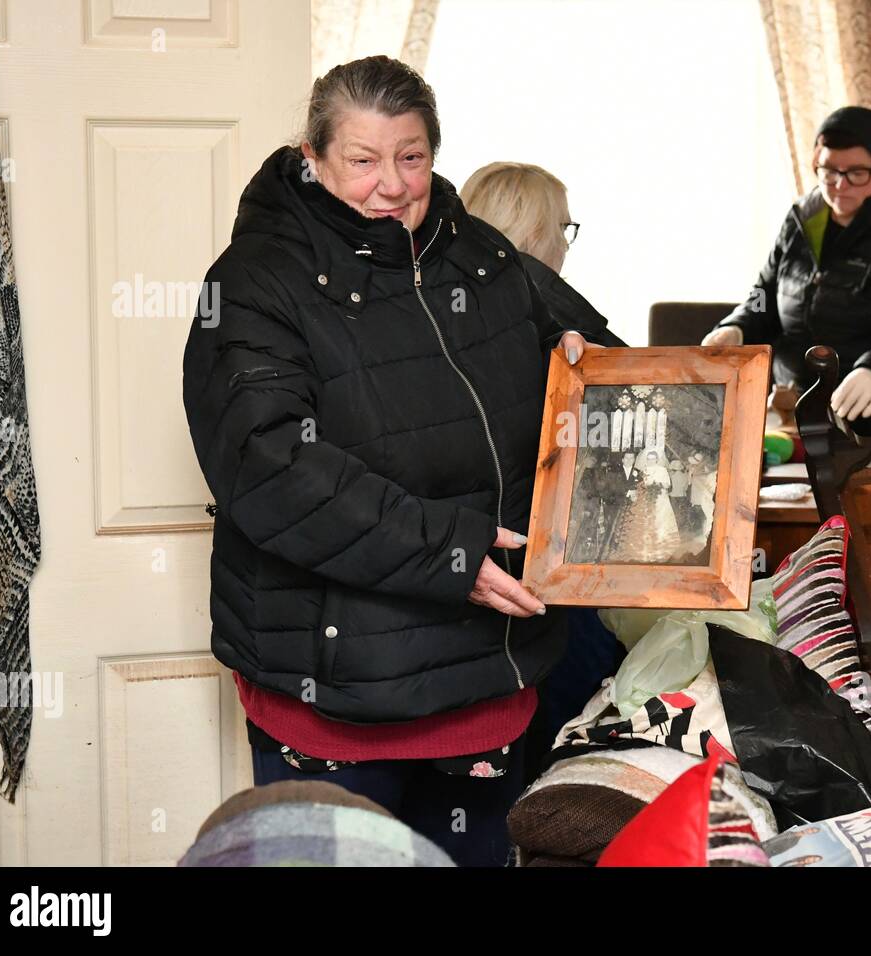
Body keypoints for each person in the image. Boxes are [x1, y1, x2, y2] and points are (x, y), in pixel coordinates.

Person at [181, 56, 597, 867]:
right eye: (363, 161)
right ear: (314, 156)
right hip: (337, 687)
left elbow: (587, 358)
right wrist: (451, 552)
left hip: (484, 677)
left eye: (411, 157)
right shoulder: (253, 282)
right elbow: (271, 469)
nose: (392, 186)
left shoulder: (480, 253)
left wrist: (580, 360)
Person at [703, 106, 871, 437]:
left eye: (856, 173)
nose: (838, 185)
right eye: (828, 171)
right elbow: (764, 296)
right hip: (793, 414)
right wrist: (736, 328)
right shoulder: (803, 220)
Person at [460, 161, 626, 347]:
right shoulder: (549, 309)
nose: (565, 245)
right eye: (563, 227)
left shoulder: (450, 298)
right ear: (534, 231)